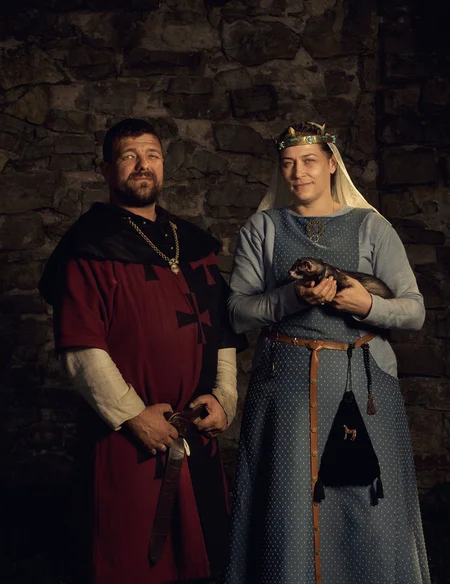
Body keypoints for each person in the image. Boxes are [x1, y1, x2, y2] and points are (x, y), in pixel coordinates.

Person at [39, 119, 246, 584]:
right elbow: (80, 344)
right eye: (129, 156)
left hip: (196, 429)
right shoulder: (87, 246)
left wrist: (224, 398)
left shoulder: (193, 243)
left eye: (151, 155)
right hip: (129, 436)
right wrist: (134, 416)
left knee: (204, 561)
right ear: (107, 168)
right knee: (129, 563)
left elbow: (223, 330)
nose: (142, 165)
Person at [224, 122, 431, 584]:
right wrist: (293, 299)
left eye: (310, 161)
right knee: (289, 502)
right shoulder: (263, 228)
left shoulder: (372, 227)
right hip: (285, 392)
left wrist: (367, 305)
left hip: (363, 385)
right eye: (289, 163)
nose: (299, 173)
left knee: (368, 506)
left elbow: (414, 311)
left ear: (332, 164)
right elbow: (238, 312)